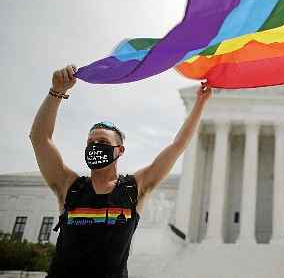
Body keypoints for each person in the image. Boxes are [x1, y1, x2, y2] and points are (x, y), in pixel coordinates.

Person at [29, 64, 211, 278]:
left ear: (120, 150)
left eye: (102, 141)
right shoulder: (69, 186)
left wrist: (200, 103)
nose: (95, 145)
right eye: (91, 142)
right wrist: (57, 92)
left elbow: (178, 145)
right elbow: (40, 139)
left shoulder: (134, 188)